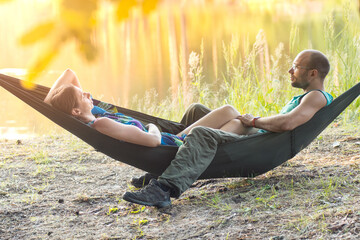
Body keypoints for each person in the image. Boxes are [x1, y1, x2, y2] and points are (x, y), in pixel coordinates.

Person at [122, 49, 334, 208]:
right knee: (198, 110)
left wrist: (253, 121)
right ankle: (169, 157)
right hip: (256, 137)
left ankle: (164, 188)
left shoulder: (316, 97)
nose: (290, 70)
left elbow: (287, 123)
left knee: (201, 133)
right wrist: (249, 122)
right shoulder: (310, 96)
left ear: (313, 73)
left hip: (258, 146)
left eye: (296, 66)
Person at [44, 69, 251, 147]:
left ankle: (255, 132)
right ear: (75, 111)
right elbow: (152, 140)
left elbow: (69, 74)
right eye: (82, 95)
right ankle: (256, 138)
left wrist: (51, 104)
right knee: (232, 114)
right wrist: (152, 125)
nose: (88, 93)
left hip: (174, 140)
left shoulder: (94, 112)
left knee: (234, 119)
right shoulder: (101, 122)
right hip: (177, 146)